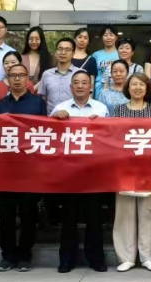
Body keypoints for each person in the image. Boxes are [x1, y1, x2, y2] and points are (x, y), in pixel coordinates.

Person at [51, 70, 109, 273]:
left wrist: (101, 124)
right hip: (68, 173)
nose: (80, 86)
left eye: (84, 82)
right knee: (69, 219)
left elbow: (111, 138)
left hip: (94, 172)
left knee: (95, 219)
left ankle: (96, 259)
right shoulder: (60, 108)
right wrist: (55, 119)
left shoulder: (101, 109)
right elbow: (48, 137)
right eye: (76, 82)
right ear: (71, 87)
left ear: (91, 87)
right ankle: (67, 259)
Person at [0, 63, 46, 272]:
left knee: (28, 214)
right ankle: (7, 256)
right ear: (8, 79)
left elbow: (45, 132)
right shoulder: (1, 104)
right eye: (13, 76)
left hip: (29, 168)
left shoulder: (38, 103)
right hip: (5, 167)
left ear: (28, 79)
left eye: (21, 75)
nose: (17, 79)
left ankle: (25, 255)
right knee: (6, 215)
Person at [113, 73, 151, 272]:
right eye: (134, 84)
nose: (138, 88)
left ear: (147, 88)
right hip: (124, 166)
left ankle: (148, 256)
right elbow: (113, 137)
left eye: (142, 84)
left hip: (149, 167)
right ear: (128, 88)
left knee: (149, 210)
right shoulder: (119, 110)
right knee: (125, 211)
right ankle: (127, 257)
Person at [37, 38, 79, 115]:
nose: (63, 52)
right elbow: (42, 99)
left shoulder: (80, 74)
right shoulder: (46, 74)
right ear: (55, 52)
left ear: (73, 54)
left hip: (74, 119)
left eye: (67, 50)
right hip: (51, 119)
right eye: (60, 49)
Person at [92, 25, 120, 96]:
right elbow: (92, 76)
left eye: (111, 35)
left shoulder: (121, 54)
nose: (108, 38)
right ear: (102, 37)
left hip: (116, 90)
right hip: (99, 91)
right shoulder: (96, 55)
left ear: (116, 37)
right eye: (105, 35)